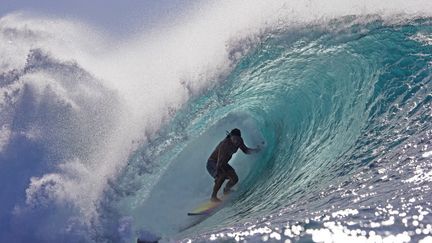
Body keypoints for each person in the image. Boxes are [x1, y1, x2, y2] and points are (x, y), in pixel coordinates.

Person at [206, 128, 260, 202]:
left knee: (235, 179)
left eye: (238, 139)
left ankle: (226, 190)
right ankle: (213, 197)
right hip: (212, 163)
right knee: (221, 176)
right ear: (231, 137)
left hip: (223, 163)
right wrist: (217, 174)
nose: (236, 141)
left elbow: (246, 150)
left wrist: (256, 150)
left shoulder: (239, 142)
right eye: (234, 139)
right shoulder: (224, 145)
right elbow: (219, 162)